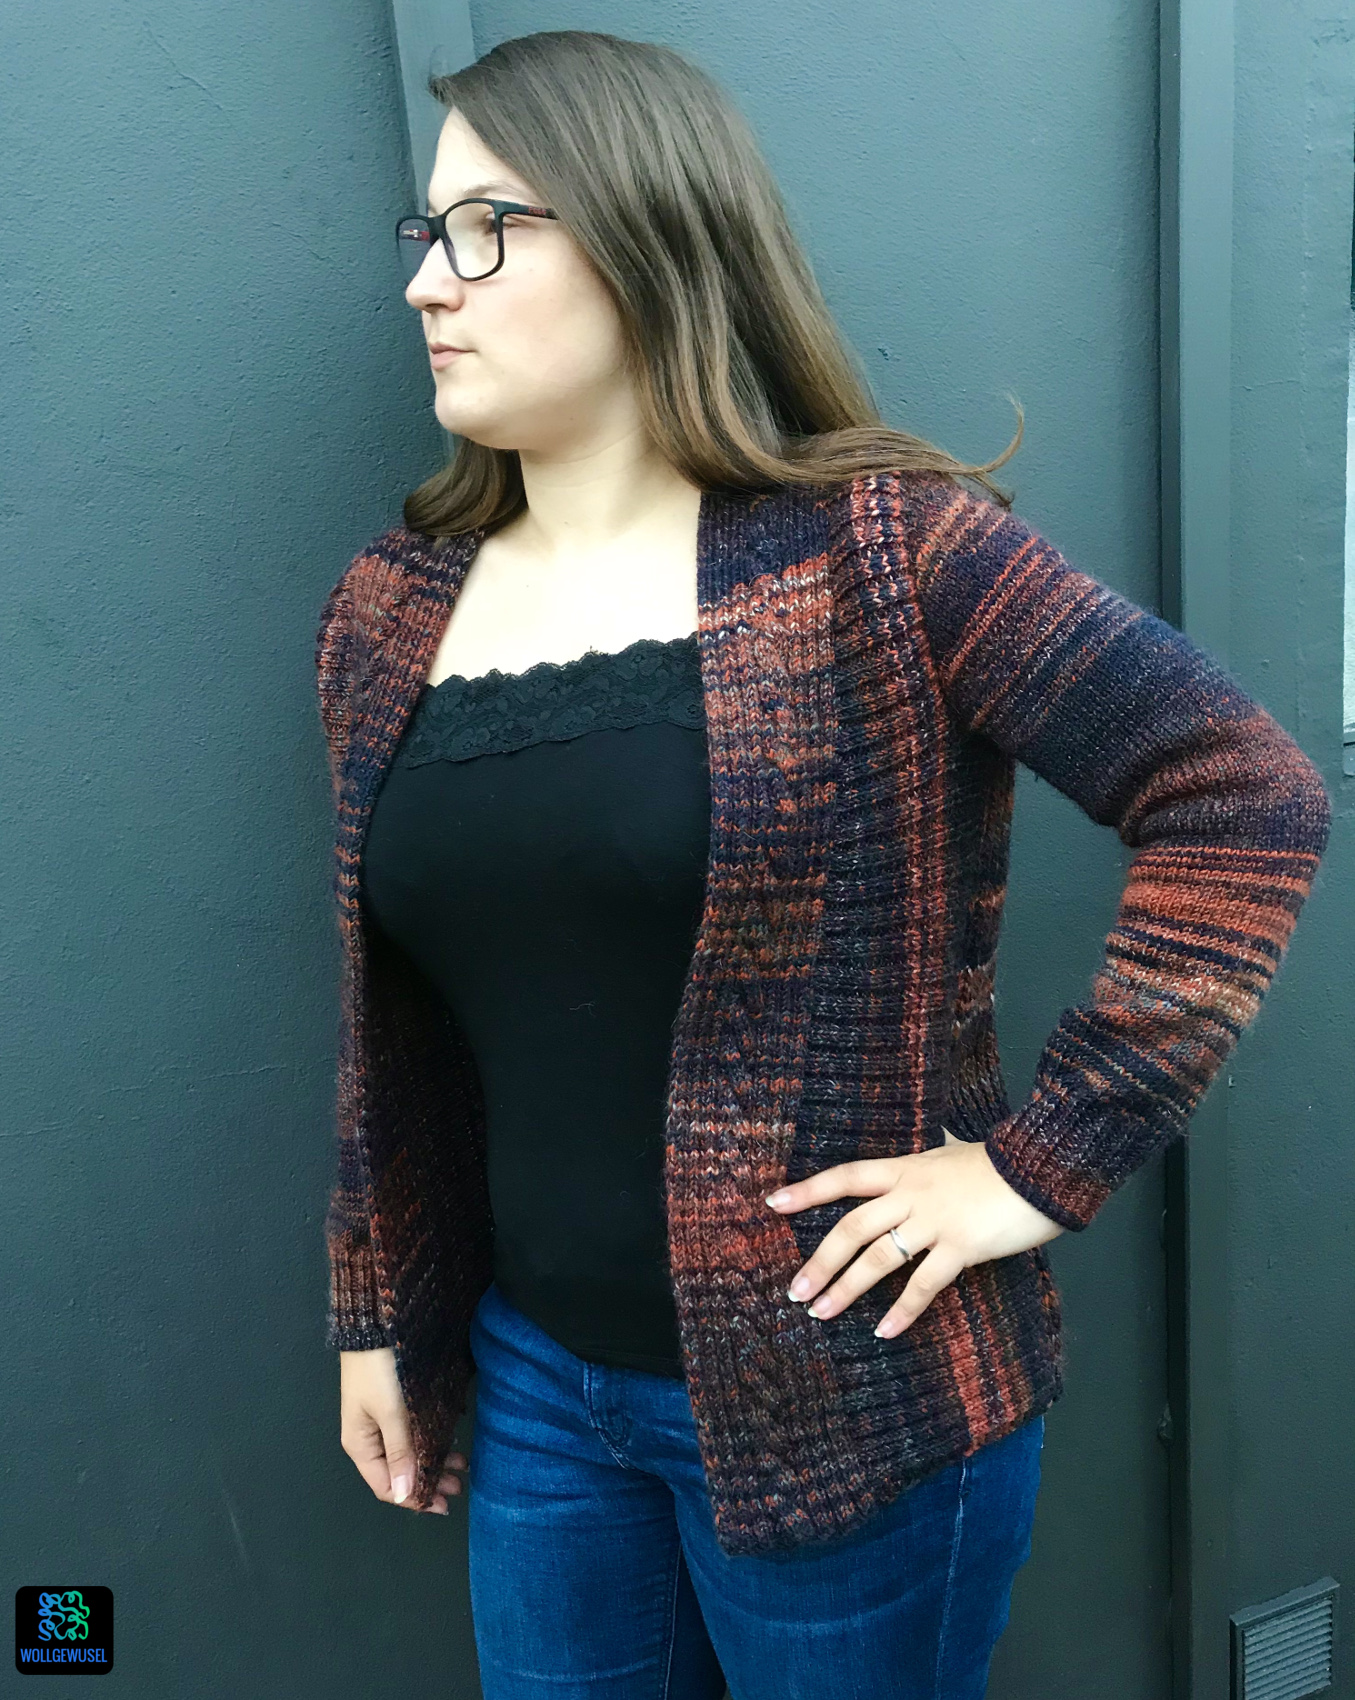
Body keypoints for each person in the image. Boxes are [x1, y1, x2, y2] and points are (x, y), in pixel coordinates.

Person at [314, 30, 1331, 1700]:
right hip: (536, 1387)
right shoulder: (391, 610)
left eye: (488, 227)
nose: (431, 279)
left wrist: (1035, 1168)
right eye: (429, 231)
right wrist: (380, 1302)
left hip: (855, 1400)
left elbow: (1241, 792)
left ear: (650, 238)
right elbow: (397, 1027)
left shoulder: (886, 555)